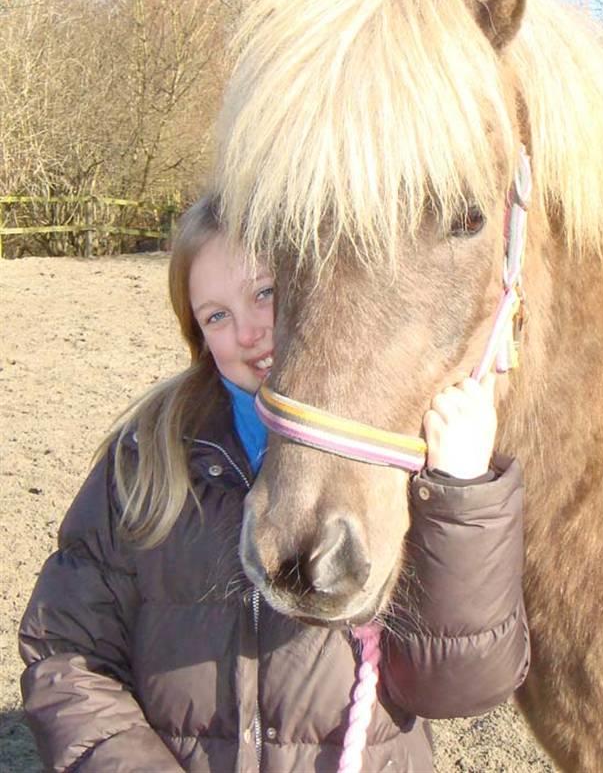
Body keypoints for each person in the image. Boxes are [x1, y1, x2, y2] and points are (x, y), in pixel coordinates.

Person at [19, 195, 529, 773]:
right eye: (216, 316)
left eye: (265, 293)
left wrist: (460, 495)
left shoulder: (401, 458)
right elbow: (68, 651)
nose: (248, 333)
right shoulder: (147, 456)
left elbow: (457, 688)